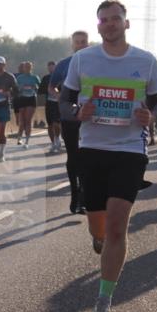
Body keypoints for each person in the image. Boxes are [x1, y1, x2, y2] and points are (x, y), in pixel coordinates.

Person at [61, 0, 157, 312]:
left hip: (130, 149)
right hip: (91, 148)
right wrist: (78, 114)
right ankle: (99, 236)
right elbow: (62, 102)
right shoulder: (83, 59)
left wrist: (152, 116)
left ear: (126, 23)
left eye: (115, 19)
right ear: (98, 26)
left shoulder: (146, 61)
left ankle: (104, 302)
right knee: (99, 226)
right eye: (103, 20)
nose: (109, 24)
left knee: (119, 225)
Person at [50, 31, 90, 213]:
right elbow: (52, 87)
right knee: (73, 156)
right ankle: (75, 196)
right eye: (77, 42)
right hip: (69, 117)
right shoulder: (64, 65)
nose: (81, 45)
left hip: (90, 118)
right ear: (72, 45)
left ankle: (83, 195)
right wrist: (62, 99)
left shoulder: (95, 62)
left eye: (84, 42)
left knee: (87, 158)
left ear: (88, 43)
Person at [14, 61, 41, 148]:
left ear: (31, 68)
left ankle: (27, 141)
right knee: (22, 121)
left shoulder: (35, 77)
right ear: (23, 68)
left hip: (31, 98)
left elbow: (41, 87)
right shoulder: (19, 78)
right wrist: (20, 88)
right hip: (22, 98)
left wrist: (36, 87)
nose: (27, 68)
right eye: (26, 67)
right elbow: (15, 89)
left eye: (29, 67)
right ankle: (19, 137)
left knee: (28, 120)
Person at [39, 61, 62, 154]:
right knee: (50, 125)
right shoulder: (45, 78)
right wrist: (48, 89)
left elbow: (65, 89)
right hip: (49, 103)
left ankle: (57, 138)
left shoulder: (61, 78)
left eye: (53, 67)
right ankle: (53, 143)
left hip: (58, 103)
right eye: (49, 67)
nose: (51, 69)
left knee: (57, 123)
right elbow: (40, 91)